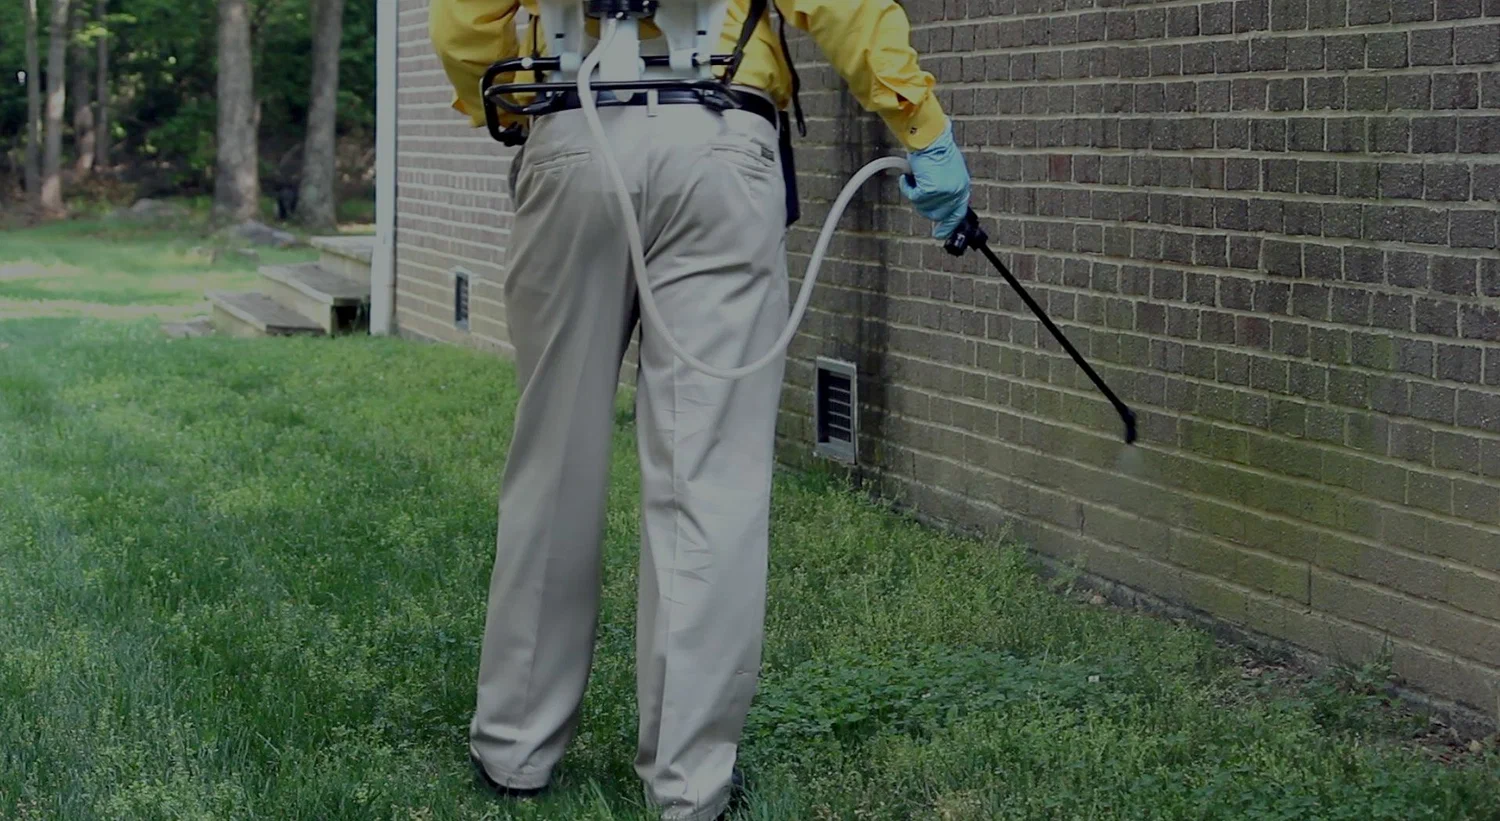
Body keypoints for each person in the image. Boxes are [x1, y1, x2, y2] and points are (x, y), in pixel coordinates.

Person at [428, 2, 972, 819]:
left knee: (552, 461)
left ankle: (515, 748)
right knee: (707, 477)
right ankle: (688, 785)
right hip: (719, 140)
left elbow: (462, 24)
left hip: (573, 133)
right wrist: (923, 128)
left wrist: (495, 98)